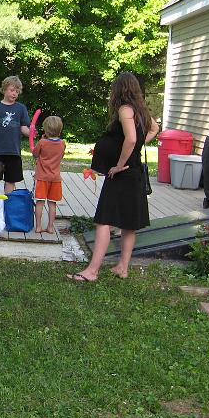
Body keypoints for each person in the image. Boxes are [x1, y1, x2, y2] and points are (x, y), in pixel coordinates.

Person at [68, 72, 159, 282]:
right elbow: (154, 129)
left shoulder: (125, 109)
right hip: (134, 173)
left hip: (123, 175)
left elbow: (131, 138)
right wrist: (136, 149)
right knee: (128, 224)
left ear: (119, 89)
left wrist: (119, 165)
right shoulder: (140, 110)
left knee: (104, 221)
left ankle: (92, 271)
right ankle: (122, 268)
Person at [0, 75, 31, 194]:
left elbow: (24, 128)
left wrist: (32, 133)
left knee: (10, 181)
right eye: (12, 90)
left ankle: (7, 207)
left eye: (17, 91)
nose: (14, 94)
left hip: (13, 153)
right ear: (4, 89)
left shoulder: (21, 108)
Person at [32, 116, 66, 234]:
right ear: (59, 130)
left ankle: (38, 227)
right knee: (52, 204)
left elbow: (35, 154)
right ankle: (50, 227)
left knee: (40, 202)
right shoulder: (62, 143)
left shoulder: (42, 142)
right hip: (55, 178)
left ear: (46, 130)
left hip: (42, 178)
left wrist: (40, 142)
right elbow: (61, 156)